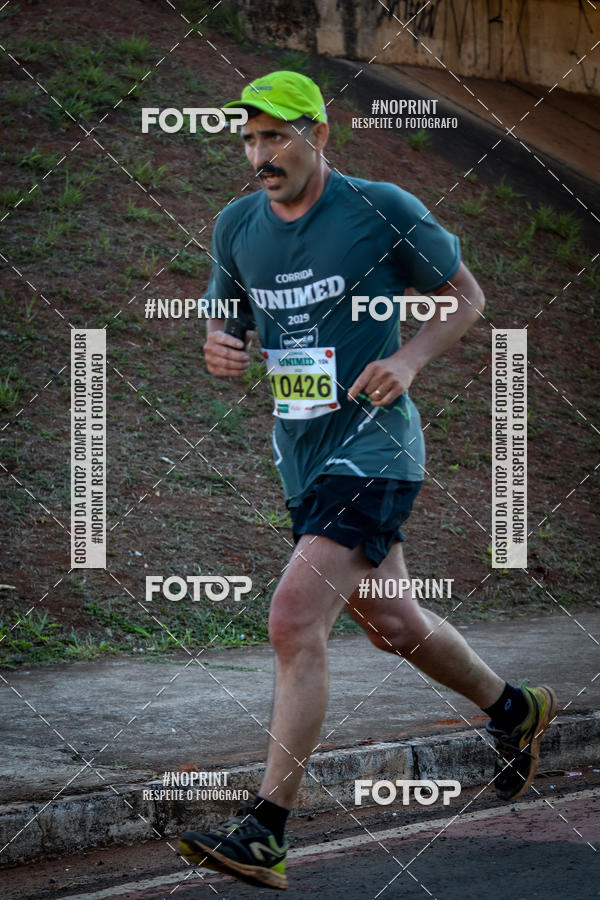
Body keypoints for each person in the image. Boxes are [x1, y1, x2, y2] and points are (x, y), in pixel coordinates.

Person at [178, 71, 556, 891]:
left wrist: (408, 359)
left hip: (376, 447)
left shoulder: (378, 208)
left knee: (293, 619)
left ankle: (266, 832)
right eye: (249, 139)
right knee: (391, 621)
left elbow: (465, 296)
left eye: (276, 136)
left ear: (319, 135)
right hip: (302, 454)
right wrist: (218, 343)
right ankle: (513, 708)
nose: (260, 154)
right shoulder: (236, 226)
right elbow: (225, 314)